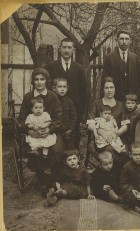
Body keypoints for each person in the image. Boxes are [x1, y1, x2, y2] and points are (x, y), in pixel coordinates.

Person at [18, 68, 64, 197]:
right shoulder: (28, 97)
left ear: (46, 81)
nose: (39, 82)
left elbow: (58, 117)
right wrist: (29, 130)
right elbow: (22, 118)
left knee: (57, 149)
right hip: (33, 133)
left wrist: (50, 129)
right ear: (33, 81)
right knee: (34, 151)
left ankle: (54, 181)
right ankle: (44, 182)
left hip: (50, 132)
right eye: (36, 79)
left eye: (42, 79)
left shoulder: (52, 96)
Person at [46, 38, 87, 149]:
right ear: (60, 49)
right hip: (56, 111)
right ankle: (57, 165)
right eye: (64, 47)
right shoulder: (51, 66)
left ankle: (73, 163)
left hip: (74, 112)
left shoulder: (79, 68)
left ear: (73, 50)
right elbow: (48, 88)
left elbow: (84, 92)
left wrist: (80, 112)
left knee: (73, 142)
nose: (66, 50)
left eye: (69, 47)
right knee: (56, 141)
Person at [102, 30, 140, 101]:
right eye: (121, 39)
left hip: (131, 101)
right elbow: (104, 81)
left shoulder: (135, 58)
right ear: (117, 40)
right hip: (115, 99)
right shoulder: (109, 58)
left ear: (130, 41)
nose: (124, 42)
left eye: (127, 39)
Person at [52, 78, 77, 150]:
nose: (62, 89)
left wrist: (70, 129)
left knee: (69, 151)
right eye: (59, 87)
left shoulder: (69, 102)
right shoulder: (52, 101)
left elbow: (74, 117)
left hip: (68, 132)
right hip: (56, 132)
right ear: (54, 88)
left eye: (64, 87)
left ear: (67, 88)